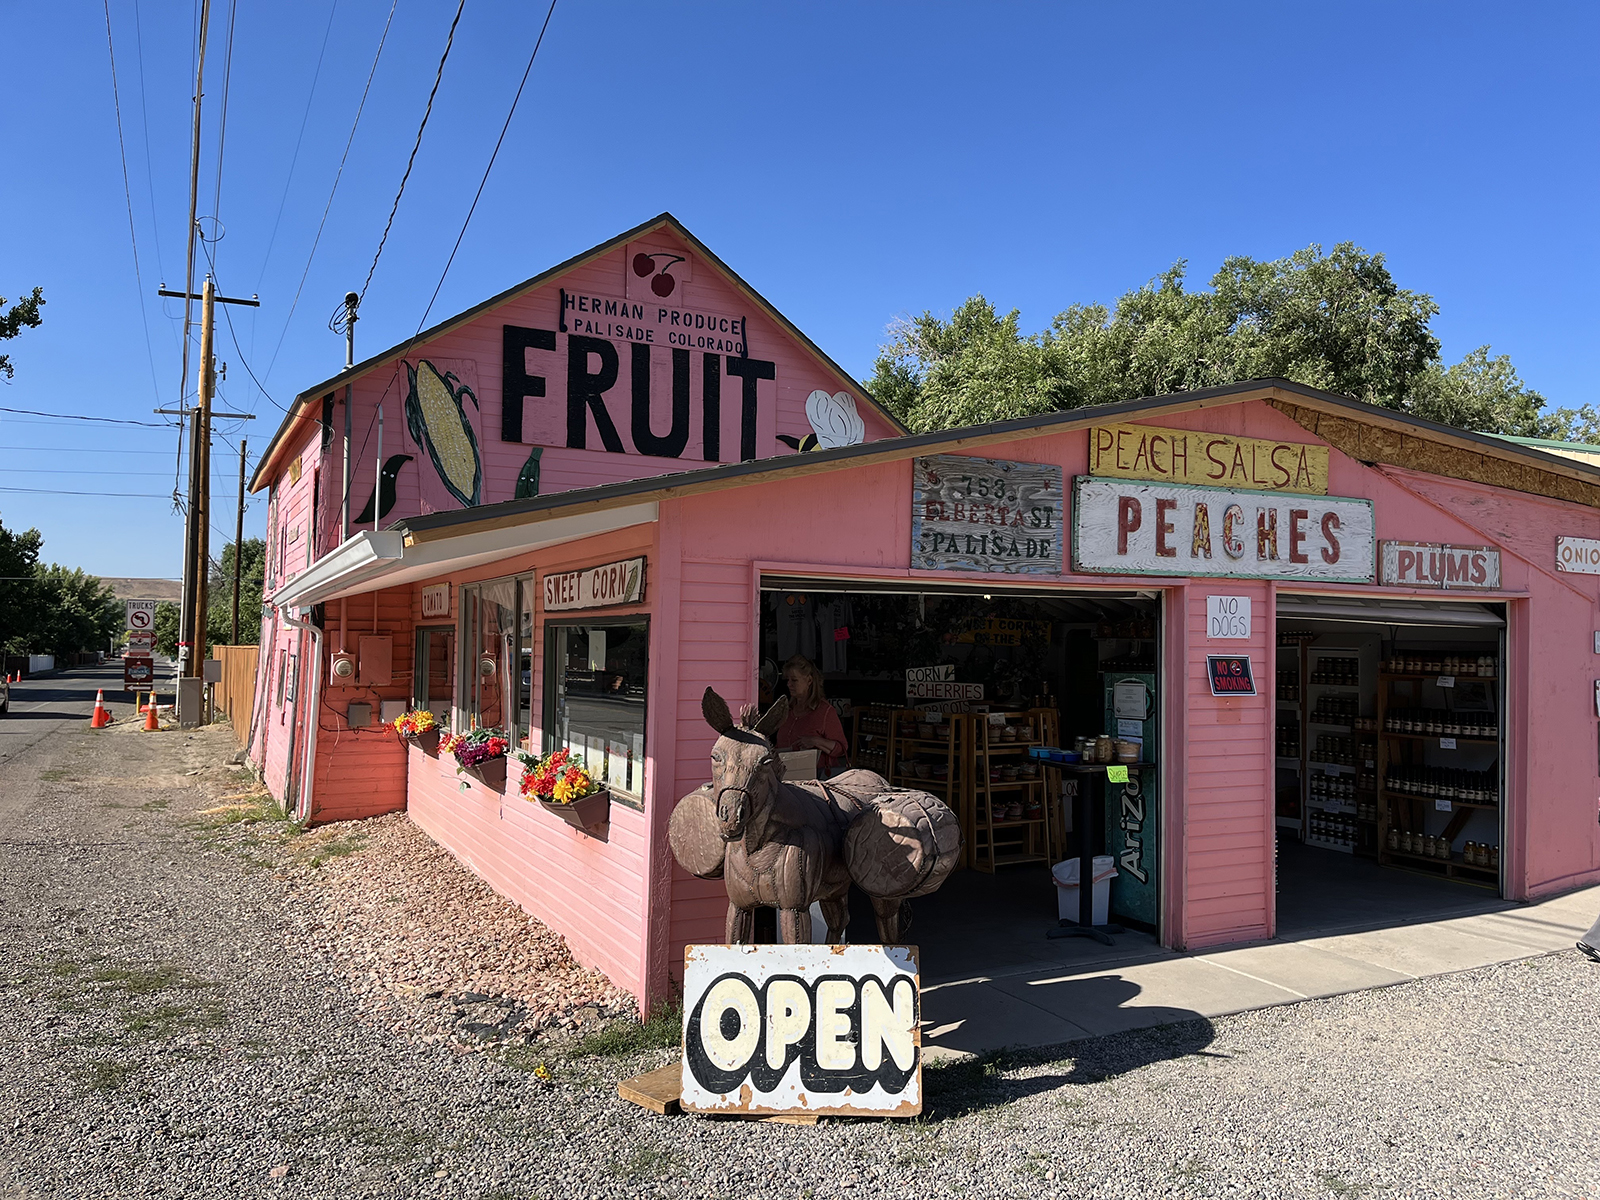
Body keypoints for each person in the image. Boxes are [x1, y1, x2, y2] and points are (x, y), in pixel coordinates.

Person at [776, 655, 846, 776]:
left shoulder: (825, 711)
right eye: (788, 680)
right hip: (785, 779)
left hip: (815, 783)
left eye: (794, 680)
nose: (789, 684)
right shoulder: (786, 710)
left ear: (809, 680)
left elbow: (841, 748)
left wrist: (816, 741)